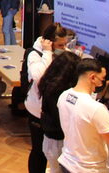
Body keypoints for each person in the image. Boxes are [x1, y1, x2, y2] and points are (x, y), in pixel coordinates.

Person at [57, 59, 109, 173]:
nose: (101, 84)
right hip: (88, 169)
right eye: (101, 80)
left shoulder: (64, 95)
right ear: (92, 77)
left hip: (67, 163)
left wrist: (103, 126)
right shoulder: (96, 108)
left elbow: (78, 122)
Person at [24, 22, 70, 173]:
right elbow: (38, 76)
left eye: (65, 44)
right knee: (38, 150)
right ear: (49, 43)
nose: (64, 48)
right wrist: (47, 53)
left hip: (55, 112)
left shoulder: (63, 52)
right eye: (60, 45)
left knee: (55, 151)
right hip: (37, 110)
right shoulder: (34, 54)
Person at [39, 51, 81, 173]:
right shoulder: (59, 92)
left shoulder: (48, 82)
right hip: (57, 141)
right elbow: (62, 119)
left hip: (50, 139)